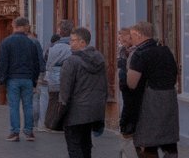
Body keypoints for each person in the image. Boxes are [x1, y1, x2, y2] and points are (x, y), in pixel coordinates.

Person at [126, 21, 179, 158]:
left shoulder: (140, 54)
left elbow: (132, 83)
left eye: (132, 36)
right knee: (169, 142)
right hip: (169, 99)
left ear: (138, 34)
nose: (131, 39)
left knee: (146, 142)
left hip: (149, 101)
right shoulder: (166, 51)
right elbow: (174, 73)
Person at [58, 27, 108, 158]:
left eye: (73, 40)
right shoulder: (99, 60)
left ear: (83, 42)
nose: (70, 43)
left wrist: (61, 110)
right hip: (93, 110)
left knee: (74, 146)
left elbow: (65, 90)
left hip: (76, 111)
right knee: (86, 144)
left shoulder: (71, 61)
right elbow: (104, 86)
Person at [0, 16, 44, 142]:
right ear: (25, 27)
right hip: (28, 78)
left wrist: (1, 79)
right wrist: (34, 80)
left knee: (13, 106)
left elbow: (2, 62)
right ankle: (29, 132)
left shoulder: (6, 42)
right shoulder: (31, 43)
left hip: (12, 79)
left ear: (15, 26)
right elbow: (36, 64)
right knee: (28, 106)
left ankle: (14, 132)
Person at [44, 20, 74, 132]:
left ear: (60, 31)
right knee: (65, 102)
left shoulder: (52, 46)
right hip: (66, 79)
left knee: (53, 100)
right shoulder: (71, 47)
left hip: (52, 78)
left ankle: (51, 123)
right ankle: (60, 123)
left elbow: (45, 58)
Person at [117, 28, 141, 140]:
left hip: (133, 84)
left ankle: (128, 127)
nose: (120, 39)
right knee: (127, 104)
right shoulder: (122, 50)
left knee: (131, 105)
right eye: (120, 37)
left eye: (122, 37)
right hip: (124, 84)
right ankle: (126, 127)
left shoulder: (137, 51)